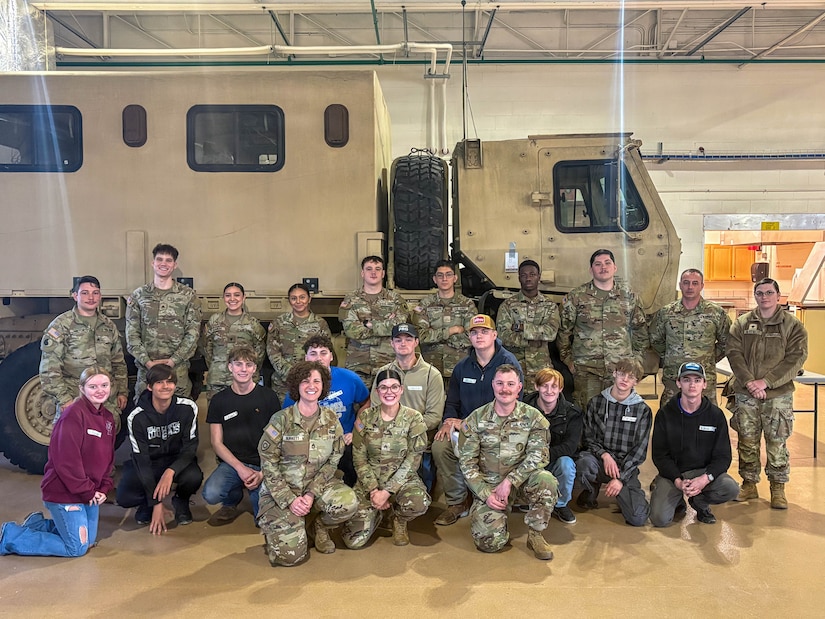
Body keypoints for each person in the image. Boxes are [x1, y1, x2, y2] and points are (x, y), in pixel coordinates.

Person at [0, 367, 116, 557]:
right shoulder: (73, 416)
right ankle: (11, 536)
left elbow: (108, 458)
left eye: (104, 385)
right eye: (93, 386)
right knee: (76, 548)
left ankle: (37, 524)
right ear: (82, 388)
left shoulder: (108, 418)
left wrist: (103, 488)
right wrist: (87, 490)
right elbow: (67, 463)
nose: (100, 390)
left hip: (90, 493)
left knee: (89, 541)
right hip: (66, 492)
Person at [257, 361, 358, 567]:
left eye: (316, 381)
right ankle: (284, 527)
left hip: (317, 488)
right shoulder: (281, 420)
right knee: (291, 557)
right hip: (283, 492)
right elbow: (268, 464)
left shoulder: (331, 419)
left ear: (323, 386)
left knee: (349, 503)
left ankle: (318, 526)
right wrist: (290, 499)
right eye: (305, 381)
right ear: (296, 385)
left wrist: (311, 493)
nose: (311, 385)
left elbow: (333, 460)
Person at [457, 365, 557, 560]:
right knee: (489, 543)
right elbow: (467, 462)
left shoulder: (533, 418)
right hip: (490, 485)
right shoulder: (476, 419)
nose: (505, 389)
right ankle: (497, 523)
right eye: (500, 383)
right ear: (492, 385)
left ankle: (535, 534)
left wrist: (510, 481)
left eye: (511, 384)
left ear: (519, 387)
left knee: (547, 481)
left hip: (523, 482)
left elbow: (539, 456)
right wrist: (485, 494)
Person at [432, 314, 522, 526]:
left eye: (484, 332)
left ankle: (493, 496)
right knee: (440, 446)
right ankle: (457, 502)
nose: (479, 336)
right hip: (466, 429)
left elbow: (514, 404)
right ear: (469, 337)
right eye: (474, 332)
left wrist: (470, 424)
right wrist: (447, 421)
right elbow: (452, 402)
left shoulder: (508, 364)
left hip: (499, 429)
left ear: (494, 335)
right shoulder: (462, 367)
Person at [726, 278, 808, 509]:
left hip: (777, 396)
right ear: (755, 296)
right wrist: (750, 382)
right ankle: (749, 484)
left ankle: (778, 488)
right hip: (745, 392)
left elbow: (796, 358)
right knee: (746, 440)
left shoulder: (792, 326)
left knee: (777, 441)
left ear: (778, 296)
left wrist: (767, 382)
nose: (764, 297)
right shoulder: (742, 323)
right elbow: (734, 353)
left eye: (769, 292)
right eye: (760, 293)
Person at [342, 369, 430, 548]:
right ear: (377, 391)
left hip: (402, 479)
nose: (389, 392)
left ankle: (399, 519)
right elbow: (359, 458)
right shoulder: (365, 418)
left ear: (401, 390)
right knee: (353, 542)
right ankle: (377, 515)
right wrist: (374, 491)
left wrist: (387, 492)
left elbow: (413, 460)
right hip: (370, 480)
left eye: (394, 387)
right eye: (383, 388)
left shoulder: (414, 419)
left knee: (418, 503)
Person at [557, 249, 649, 410]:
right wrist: (568, 360)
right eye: (597, 264)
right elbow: (563, 330)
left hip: (620, 370)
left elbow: (640, 332)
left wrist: (637, 363)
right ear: (591, 270)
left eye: (607, 263)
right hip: (587, 370)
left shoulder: (629, 297)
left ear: (615, 268)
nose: (603, 267)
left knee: (618, 416)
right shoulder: (576, 297)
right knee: (588, 415)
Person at [650, 362, 740, 527]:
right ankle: (677, 501)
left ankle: (700, 502)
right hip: (675, 474)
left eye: (697, 380)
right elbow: (659, 455)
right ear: (678, 383)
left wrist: (705, 479)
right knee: (659, 519)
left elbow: (723, 457)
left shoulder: (715, 416)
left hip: (702, 473)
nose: (692, 384)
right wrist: (677, 480)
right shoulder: (665, 414)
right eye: (686, 379)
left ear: (704, 384)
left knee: (730, 488)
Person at [117, 364, 203, 534]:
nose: (165, 386)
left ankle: (181, 500)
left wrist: (171, 471)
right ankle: (147, 503)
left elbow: (190, 447)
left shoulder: (188, 408)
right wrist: (156, 503)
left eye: (170, 382)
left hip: (176, 461)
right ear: (149, 387)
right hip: (149, 461)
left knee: (194, 477)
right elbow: (141, 459)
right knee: (125, 497)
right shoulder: (136, 416)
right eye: (159, 382)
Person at [202, 345, 281, 526]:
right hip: (233, 463)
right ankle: (232, 498)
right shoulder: (219, 400)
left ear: (254, 368)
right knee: (211, 493)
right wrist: (240, 468)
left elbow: (277, 438)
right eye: (238, 364)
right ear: (230, 367)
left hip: (262, 462)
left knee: (264, 520)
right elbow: (216, 442)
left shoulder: (269, 397)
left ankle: (258, 492)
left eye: (248, 365)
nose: (243, 369)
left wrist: (262, 472)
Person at [39, 275, 128, 426]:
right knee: (72, 443)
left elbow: (118, 362)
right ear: (75, 295)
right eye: (85, 293)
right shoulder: (61, 325)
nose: (91, 297)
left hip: (106, 400)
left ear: (100, 296)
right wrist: (64, 399)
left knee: (105, 445)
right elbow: (49, 368)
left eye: (95, 292)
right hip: (74, 396)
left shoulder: (108, 325)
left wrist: (122, 392)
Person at [283, 334, 370, 487]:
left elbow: (367, 402)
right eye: (313, 353)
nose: (318, 358)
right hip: (311, 444)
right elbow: (287, 417)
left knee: (353, 469)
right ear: (306, 358)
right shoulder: (298, 384)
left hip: (344, 440)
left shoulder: (350, 378)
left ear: (331, 356)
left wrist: (356, 428)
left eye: (323, 353)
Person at [576, 358, 652, 527]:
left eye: (631, 377)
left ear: (637, 382)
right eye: (621, 374)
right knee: (582, 464)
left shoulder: (643, 410)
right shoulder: (596, 403)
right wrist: (604, 455)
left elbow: (639, 451)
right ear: (614, 374)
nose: (625, 379)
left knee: (637, 518)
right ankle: (591, 488)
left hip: (625, 466)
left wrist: (621, 478)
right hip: (599, 460)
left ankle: (624, 494)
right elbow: (588, 438)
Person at [126, 243, 202, 400]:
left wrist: (173, 361)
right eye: (159, 259)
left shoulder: (188, 296)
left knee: (180, 416)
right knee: (144, 417)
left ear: (175, 265)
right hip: (147, 373)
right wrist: (147, 362)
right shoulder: (138, 296)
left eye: (168, 260)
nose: (163, 263)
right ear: (153, 263)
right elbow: (132, 334)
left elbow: (193, 334)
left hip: (177, 372)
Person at [650, 269, 731, 406]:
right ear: (680, 285)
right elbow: (655, 339)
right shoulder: (666, 313)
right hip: (674, 378)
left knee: (706, 420)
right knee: (670, 420)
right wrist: (671, 355)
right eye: (686, 283)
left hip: (704, 379)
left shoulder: (716, 313)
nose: (690, 287)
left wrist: (708, 357)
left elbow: (728, 341)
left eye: (695, 283)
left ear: (702, 286)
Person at [339, 255, 410, 387]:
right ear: (362, 273)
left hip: (388, 363)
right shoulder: (350, 299)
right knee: (357, 404)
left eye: (377, 269)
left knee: (389, 403)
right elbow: (351, 331)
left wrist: (367, 324)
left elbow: (398, 328)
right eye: (369, 269)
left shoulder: (395, 299)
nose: (373, 272)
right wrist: (385, 324)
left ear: (383, 273)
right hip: (358, 364)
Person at [523, 368, 582, 525]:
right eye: (544, 386)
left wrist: (541, 456)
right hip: (527, 460)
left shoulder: (572, 413)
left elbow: (569, 447)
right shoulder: (522, 408)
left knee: (567, 464)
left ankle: (560, 504)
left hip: (553, 459)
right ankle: (526, 498)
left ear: (560, 389)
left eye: (554, 386)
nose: (549, 391)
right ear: (536, 387)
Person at [497, 259, 560, 388]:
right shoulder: (507, 306)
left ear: (539, 277)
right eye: (524, 275)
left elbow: (551, 333)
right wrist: (530, 340)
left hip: (541, 369)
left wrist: (521, 328)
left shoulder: (550, 306)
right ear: (519, 278)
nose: (528, 278)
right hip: (514, 369)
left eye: (532, 274)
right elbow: (502, 335)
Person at [412, 260, 477, 382]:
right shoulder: (425, 304)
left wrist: (436, 336)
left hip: (459, 365)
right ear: (434, 279)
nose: (444, 278)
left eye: (448, 274)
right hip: (431, 366)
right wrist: (453, 330)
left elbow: (472, 337)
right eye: (440, 275)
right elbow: (421, 336)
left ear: (455, 278)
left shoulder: (467, 304)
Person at [202, 282, 266, 400]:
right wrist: (217, 366)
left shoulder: (253, 324)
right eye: (228, 295)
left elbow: (260, 353)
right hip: (218, 380)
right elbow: (207, 347)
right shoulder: (214, 321)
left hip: (245, 381)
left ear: (244, 297)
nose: (232, 299)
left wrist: (247, 369)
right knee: (217, 415)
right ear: (223, 297)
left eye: (237, 295)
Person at [267, 283, 332, 401]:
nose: (298, 301)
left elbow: (325, 352)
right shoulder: (279, 323)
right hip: (283, 384)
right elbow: (273, 352)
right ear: (289, 300)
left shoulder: (320, 324)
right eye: (293, 298)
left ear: (309, 299)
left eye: (302, 297)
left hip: (311, 383)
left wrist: (310, 375)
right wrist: (291, 374)